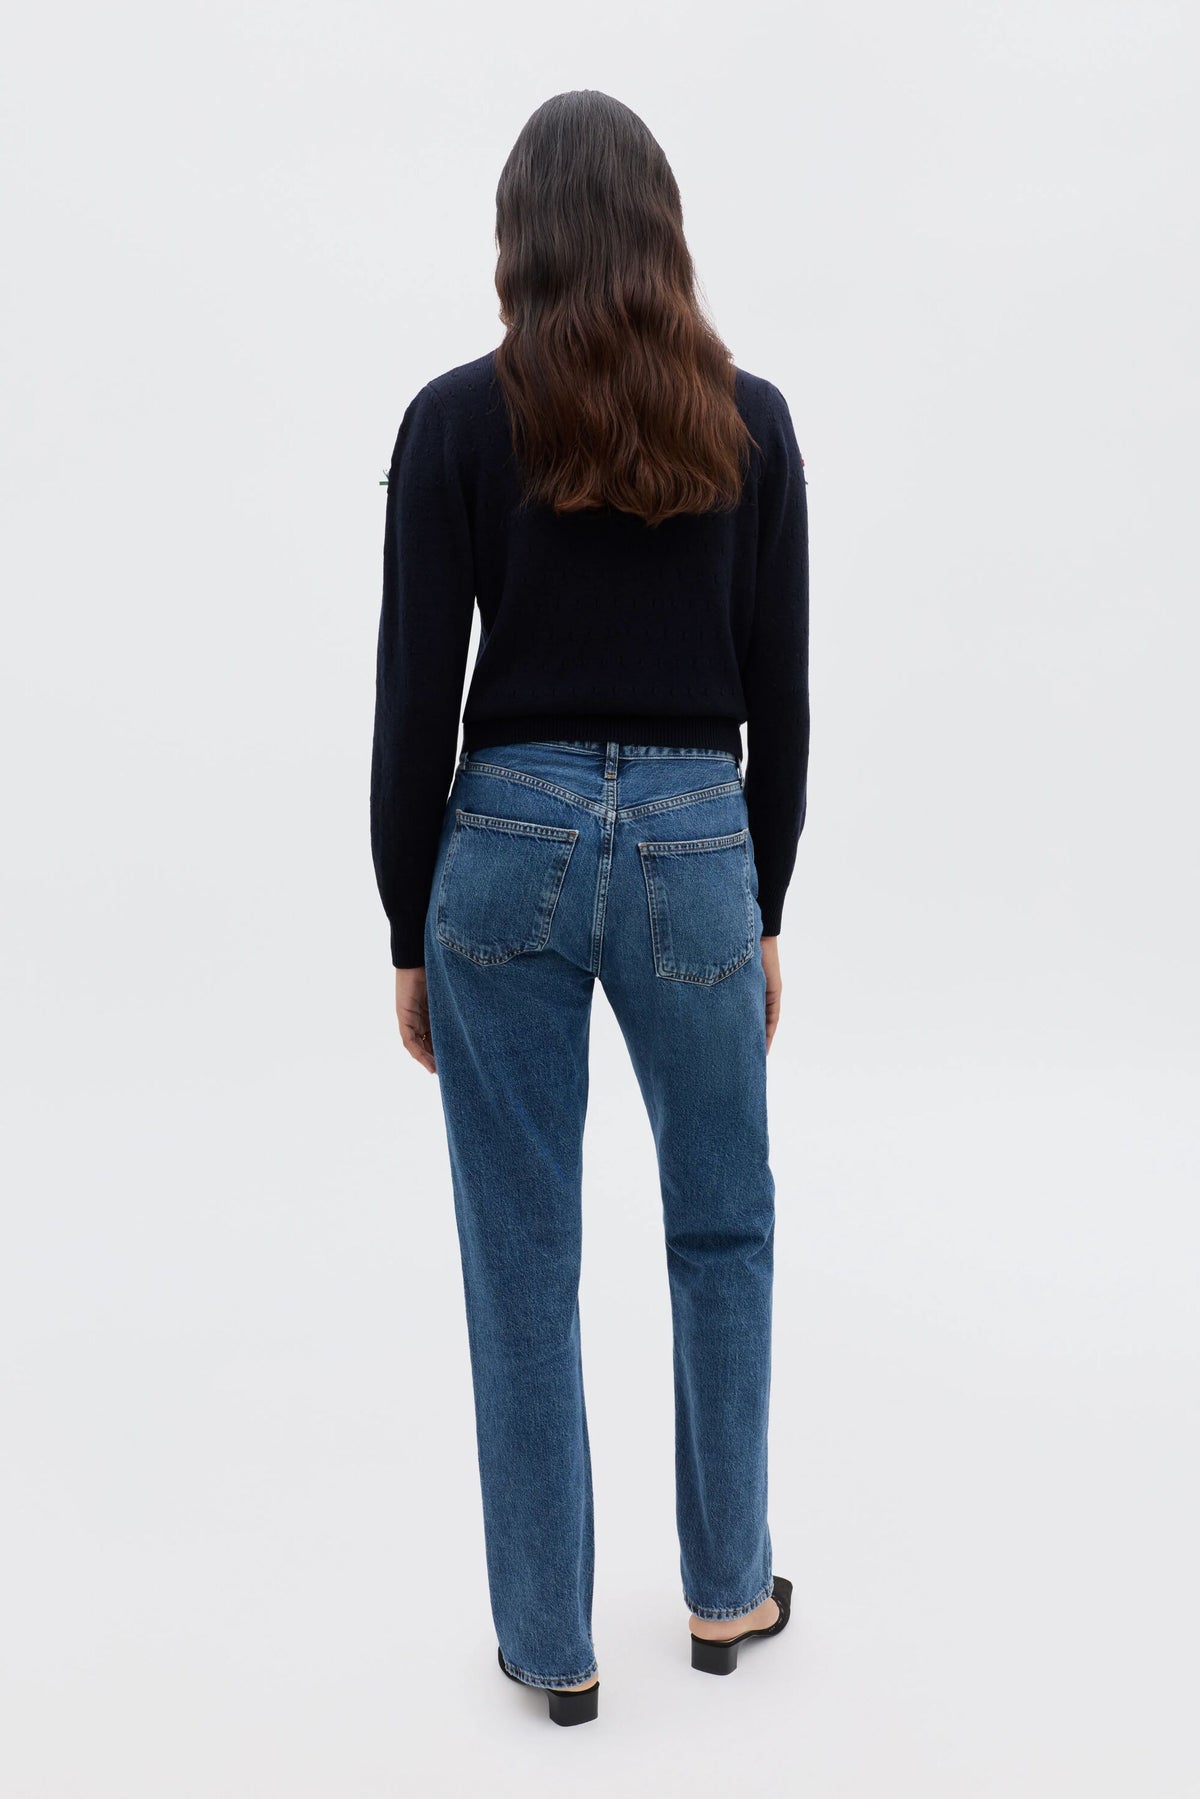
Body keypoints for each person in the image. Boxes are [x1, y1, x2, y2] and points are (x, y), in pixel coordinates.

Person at [370, 88, 809, 1728]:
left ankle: (553, 1649)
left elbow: (418, 692)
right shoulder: (750, 423)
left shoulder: (453, 423)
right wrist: (762, 892)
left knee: (520, 1254)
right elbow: (784, 693)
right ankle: (725, 1591)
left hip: (508, 842)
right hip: (701, 841)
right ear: (663, 232)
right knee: (725, 1224)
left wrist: (407, 922)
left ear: (520, 241)